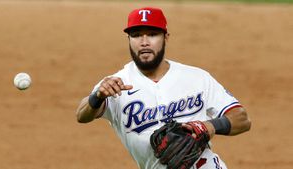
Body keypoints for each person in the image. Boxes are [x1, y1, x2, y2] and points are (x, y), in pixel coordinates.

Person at [76, 7, 251, 169]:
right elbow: (82, 115)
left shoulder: (196, 77)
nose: (144, 42)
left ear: (165, 37)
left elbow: (242, 119)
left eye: (152, 34)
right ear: (128, 39)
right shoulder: (115, 84)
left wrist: (209, 126)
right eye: (136, 35)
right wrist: (97, 96)